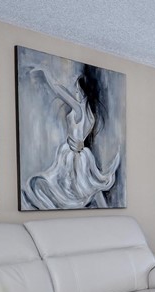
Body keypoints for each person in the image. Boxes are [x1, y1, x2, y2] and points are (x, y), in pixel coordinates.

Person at [21, 64, 120, 209]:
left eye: (77, 89)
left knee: (58, 186)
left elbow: (58, 90)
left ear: (82, 91)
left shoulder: (79, 108)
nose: (75, 92)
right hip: (82, 155)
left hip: (71, 155)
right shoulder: (91, 114)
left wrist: (45, 71)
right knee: (87, 188)